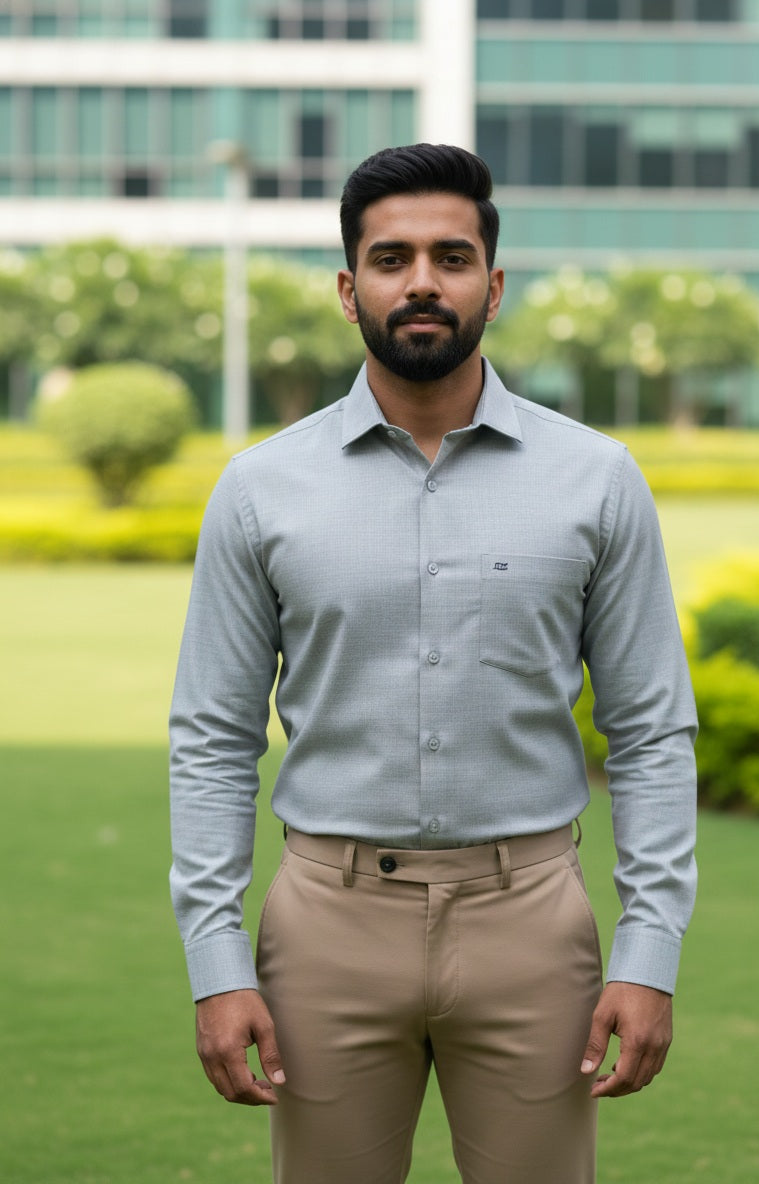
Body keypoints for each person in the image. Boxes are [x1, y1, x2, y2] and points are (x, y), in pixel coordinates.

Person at [169, 143, 697, 1184]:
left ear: (492, 286)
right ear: (348, 286)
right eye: (391, 256)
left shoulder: (596, 478)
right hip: (326, 924)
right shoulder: (258, 488)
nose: (421, 281)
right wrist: (214, 960)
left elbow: (651, 728)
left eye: (451, 256)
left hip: (532, 924)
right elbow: (214, 737)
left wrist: (651, 949)